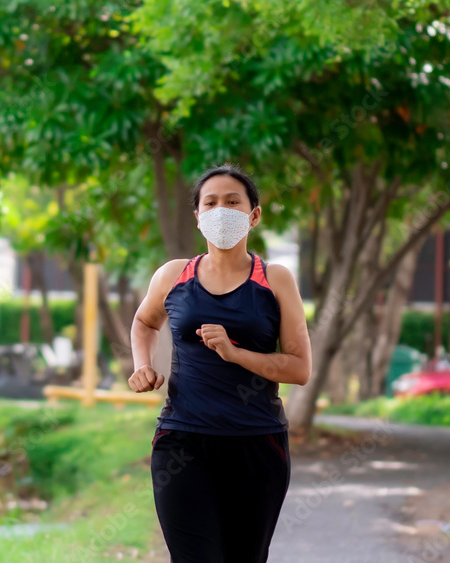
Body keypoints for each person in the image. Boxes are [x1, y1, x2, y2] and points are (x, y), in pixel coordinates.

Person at [129, 164, 312, 563]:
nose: (221, 210)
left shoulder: (275, 279)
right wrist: (142, 364)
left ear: (254, 215)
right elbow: (144, 322)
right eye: (210, 203)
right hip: (182, 443)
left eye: (233, 202)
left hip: (256, 445)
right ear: (198, 218)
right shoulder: (174, 275)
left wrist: (236, 353)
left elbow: (299, 369)